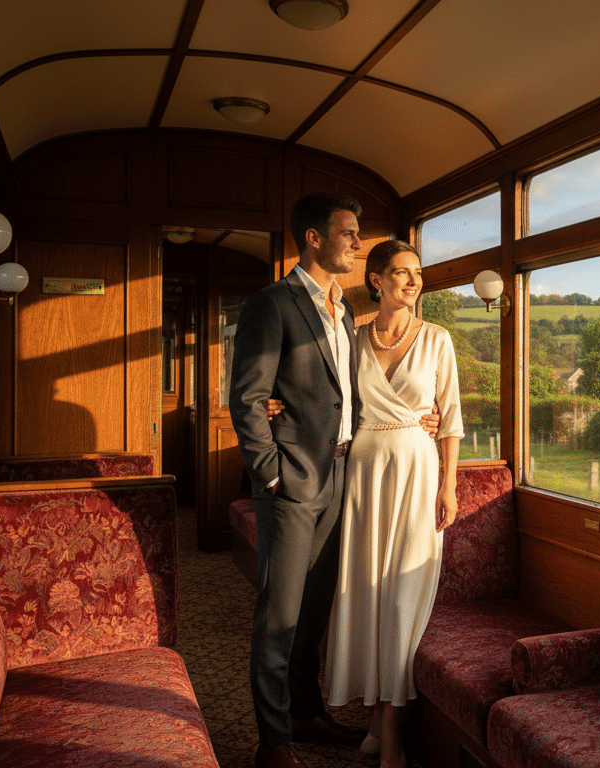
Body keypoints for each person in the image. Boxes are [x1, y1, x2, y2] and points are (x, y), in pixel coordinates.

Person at [230, 192, 438, 768]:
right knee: (279, 616)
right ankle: (273, 743)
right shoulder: (272, 304)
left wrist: (426, 416)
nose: (357, 241)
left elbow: (347, 393)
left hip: (344, 474)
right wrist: (271, 475)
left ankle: (305, 711)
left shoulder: (344, 310)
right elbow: (247, 399)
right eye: (348, 232)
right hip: (292, 481)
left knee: (313, 611)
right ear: (316, 238)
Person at [322, 239, 462, 768]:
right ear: (375, 280)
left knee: (402, 598)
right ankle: (379, 714)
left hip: (418, 475)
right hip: (363, 477)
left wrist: (448, 486)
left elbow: (450, 419)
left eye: (418, 274)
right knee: (366, 593)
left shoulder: (438, 340)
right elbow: (326, 401)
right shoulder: (351, 340)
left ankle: (395, 728)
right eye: (401, 273)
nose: (412, 281)